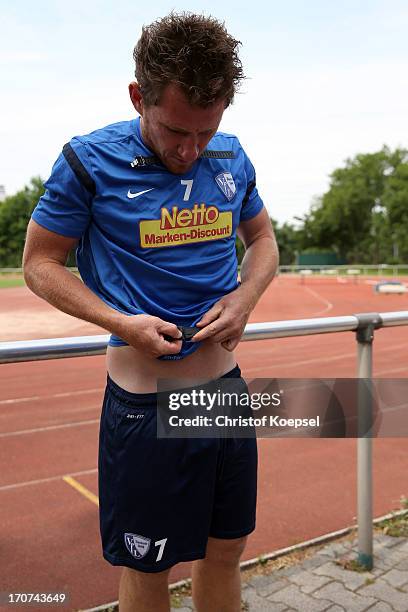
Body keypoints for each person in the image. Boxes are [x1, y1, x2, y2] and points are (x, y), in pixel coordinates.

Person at [23, 12, 278, 612]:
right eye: (174, 131)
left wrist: (245, 298)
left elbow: (264, 242)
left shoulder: (232, 157)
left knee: (226, 551)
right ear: (139, 96)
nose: (190, 151)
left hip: (224, 396)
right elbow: (39, 264)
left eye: (206, 132)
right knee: (149, 567)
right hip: (144, 410)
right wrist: (120, 323)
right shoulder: (87, 161)